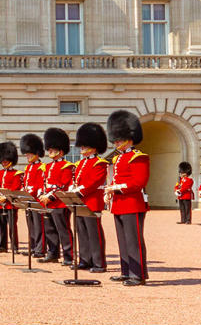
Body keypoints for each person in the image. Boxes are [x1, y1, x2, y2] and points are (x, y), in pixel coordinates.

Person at [104, 110, 149, 286]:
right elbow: (116, 178)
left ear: (130, 138)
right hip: (119, 203)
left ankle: (138, 275)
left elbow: (139, 182)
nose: (116, 143)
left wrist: (116, 188)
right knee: (123, 240)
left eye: (119, 139)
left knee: (133, 240)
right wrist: (110, 192)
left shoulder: (139, 157)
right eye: (115, 140)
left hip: (132, 203)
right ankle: (126, 271)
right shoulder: (118, 159)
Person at [71, 123, 109, 273]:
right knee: (82, 233)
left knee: (94, 234)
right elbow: (77, 181)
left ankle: (99, 263)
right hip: (79, 202)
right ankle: (85, 260)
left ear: (93, 147)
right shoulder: (80, 164)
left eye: (84, 146)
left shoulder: (100, 163)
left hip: (92, 202)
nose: (81, 149)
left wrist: (79, 191)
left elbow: (94, 183)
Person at [38, 128, 75, 264]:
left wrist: (51, 197)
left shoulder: (67, 166)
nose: (50, 152)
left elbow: (63, 185)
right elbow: (45, 183)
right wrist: (42, 195)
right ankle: (52, 253)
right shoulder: (47, 167)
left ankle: (69, 256)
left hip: (59, 203)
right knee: (49, 230)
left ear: (60, 151)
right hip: (47, 202)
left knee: (63, 230)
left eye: (52, 150)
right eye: (49, 150)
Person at [19, 134, 47, 256]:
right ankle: (33, 246)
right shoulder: (28, 168)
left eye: (30, 154)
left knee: (39, 225)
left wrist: (30, 191)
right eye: (27, 154)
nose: (27, 156)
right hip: (28, 200)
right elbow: (25, 182)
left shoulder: (42, 167)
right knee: (31, 225)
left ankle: (40, 249)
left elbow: (40, 184)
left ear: (36, 153)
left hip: (37, 200)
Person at [0, 142, 22, 254]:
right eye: (3, 161)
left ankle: (14, 247)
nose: (4, 163)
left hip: (10, 204)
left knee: (12, 227)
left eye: (6, 160)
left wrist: (5, 197)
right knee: (1, 226)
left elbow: (15, 187)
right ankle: (2, 245)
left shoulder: (17, 174)